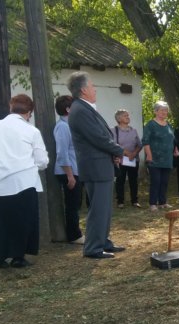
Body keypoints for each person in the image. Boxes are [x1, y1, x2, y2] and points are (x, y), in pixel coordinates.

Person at [0, 94, 48, 268]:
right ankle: (18, 256)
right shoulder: (31, 131)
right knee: (22, 221)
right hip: (23, 181)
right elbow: (42, 160)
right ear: (29, 112)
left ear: (11, 107)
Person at [67, 71, 126, 259]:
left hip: (101, 164)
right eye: (92, 86)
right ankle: (93, 247)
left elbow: (101, 135)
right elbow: (98, 137)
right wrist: (118, 150)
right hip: (95, 166)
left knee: (105, 208)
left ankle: (103, 241)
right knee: (99, 209)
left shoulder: (84, 108)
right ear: (84, 90)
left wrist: (112, 154)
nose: (95, 89)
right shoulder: (80, 110)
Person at [52, 95, 84, 244]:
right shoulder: (62, 127)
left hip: (75, 170)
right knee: (72, 204)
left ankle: (75, 231)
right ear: (68, 109)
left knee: (76, 203)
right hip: (68, 171)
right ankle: (74, 235)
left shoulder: (70, 125)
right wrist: (70, 175)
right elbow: (62, 153)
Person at [143, 101, 175, 210]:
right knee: (156, 181)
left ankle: (162, 202)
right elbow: (145, 141)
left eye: (166, 110)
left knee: (164, 181)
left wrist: (175, 149)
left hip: (167, 158)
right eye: (162, 110)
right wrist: (149, 155)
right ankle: (152, 203)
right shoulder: (151, 125)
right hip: (155, 158)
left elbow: (172, 139)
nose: (164, 112)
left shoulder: (168, 125)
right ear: (155, 111)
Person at [112, 109, 142, 208]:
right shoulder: (114, 130)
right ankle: (120, 201)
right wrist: (126, 152)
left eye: (128, 115)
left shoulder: (133, 130)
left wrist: (134, 153)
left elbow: (139, 145)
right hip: (120, 160)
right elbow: (113, 145)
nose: (128, 117)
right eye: (125, 116)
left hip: (133, 160)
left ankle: (135, 201)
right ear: (119, 119)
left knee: (133, 180)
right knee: (120, 180)